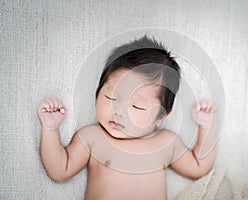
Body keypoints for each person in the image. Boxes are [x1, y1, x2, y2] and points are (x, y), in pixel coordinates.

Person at [38, 36, 216, 200]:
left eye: (137, 106)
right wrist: (51, 129)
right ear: (98, 92)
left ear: (161, 115)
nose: (119, 111)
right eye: (111, 98)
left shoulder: (166, 142)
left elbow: (198, 167)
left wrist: (206, 127)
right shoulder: (92, 137)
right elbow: (60, 170)